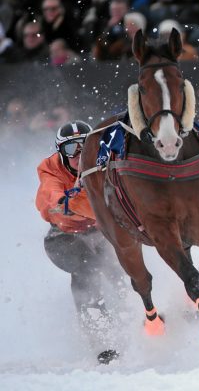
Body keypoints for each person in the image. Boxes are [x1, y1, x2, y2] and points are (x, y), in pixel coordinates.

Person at [35, 121, 122, 362]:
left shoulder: (104, 163)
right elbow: (53, 201)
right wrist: (79, 204)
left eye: (85, 147)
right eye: (71, 150)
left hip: (98, 234)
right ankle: (101, 340)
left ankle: (140, 320)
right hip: (62, 238)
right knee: (88, 268)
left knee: (120, 273)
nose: (79, 156)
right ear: (60, 153)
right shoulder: (50, 169)